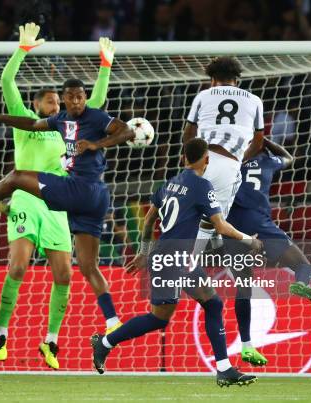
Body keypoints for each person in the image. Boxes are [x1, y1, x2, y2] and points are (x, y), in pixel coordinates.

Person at [0, 78, 135, 340]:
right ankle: (113, 320)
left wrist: (96, 145)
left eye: (81, 96)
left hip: (82, 189)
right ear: (64, 98)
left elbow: (128, 131)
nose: (76, 101)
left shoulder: (96, 116)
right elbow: (31, 124)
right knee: (89, 267)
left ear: (85, 97)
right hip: (95, 198)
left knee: (18, 177)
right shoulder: (60, 120)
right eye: (71, 97)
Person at [0, 23, 115, 369]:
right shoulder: (26, 121)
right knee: (18, 265)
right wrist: (22, 50)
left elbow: (97, 101)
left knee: (64, 275)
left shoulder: (68, 125)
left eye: (59, 100)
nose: (57, 104)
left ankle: (50, 342)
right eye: (50, 100)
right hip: (28, 197)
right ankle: (0, 334)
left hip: (59, 201)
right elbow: (6, 83)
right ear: (36, 103)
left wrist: (105, 66)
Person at [90, 138, 260, 387]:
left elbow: (148, 221)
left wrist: (144, 252)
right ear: (207, 159)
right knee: (159, 319)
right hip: (173, 258)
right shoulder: (203, 186)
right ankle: (104, 343)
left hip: (176, 256)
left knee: (213, 304)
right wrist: (248, 240)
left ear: (183, 159)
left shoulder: (169, 184)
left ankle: (224, 369)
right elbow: (221, 225)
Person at [225, 138, 311, 366]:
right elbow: (290, 158)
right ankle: (302, 284)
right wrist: (265, 141)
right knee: (303, 265)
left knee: (244, 289)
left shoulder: (229, 163)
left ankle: (246, 345)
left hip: (232, 227)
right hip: (260, 223)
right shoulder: (268, 161)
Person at [182, 56, 264, 258]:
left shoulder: (203, 95)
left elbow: (188, 134)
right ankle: (242, 243)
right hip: (229, 163)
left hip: (201, 160)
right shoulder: (254, 100)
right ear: (237, 79)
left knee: (191, 216)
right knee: (214, 219)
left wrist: (189, 160)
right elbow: (259, 141)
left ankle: (199, 255)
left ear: (212, 79)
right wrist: (239, 160)